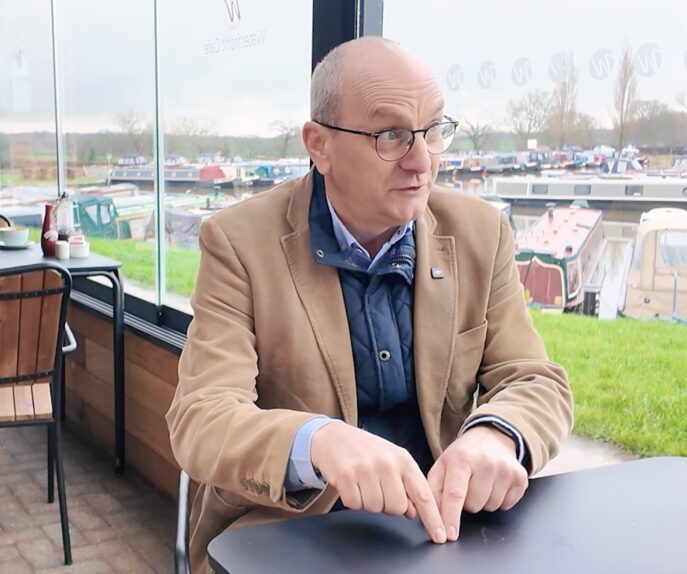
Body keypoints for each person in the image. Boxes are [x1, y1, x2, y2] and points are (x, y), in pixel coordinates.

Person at [165, 37, 573, 573]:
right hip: (286, 534)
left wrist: (496, 436)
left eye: (432, 131)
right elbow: (201, 418)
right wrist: (318, 443)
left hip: (443, 533)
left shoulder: (481, 232)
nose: (422, 162)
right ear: (319, 145)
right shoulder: (239, 243)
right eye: (393, 135)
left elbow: (534, 380)